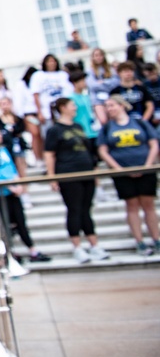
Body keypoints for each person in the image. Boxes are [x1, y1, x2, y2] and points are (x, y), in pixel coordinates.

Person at [43, 100, 110, 264]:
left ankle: (94, 245)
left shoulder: (78, 127)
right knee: (74, 209)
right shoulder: (54, 130)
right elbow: (49, 153)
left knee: (86, 209)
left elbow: (88, 149)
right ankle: (77, 247)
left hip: (86, 171)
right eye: (72, 105)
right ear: (63, 108)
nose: (75, 108)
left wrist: (94, 170)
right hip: (68, 173)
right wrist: (52, 176)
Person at [96, 96, 160, 256]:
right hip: (122, 172)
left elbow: (153, 143)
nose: (109, 109)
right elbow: (102, 150)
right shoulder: (107, 127)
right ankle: (139, 241)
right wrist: (117, 168)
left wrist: (147, 165)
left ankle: (156, 238)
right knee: (131, 205)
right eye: (106, 106)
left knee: (148, 204)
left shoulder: (139, 123)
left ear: (121, 106)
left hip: (145, 168)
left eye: (112, 105)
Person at [0, 127, 50, 263]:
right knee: (4, 223)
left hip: (13, 192)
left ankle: (32, 249)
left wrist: (18, 183)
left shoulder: (2, 150)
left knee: (20, 220)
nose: (0, 135)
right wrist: (8, 185)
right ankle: (10, 252)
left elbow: (11, 167)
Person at [30, 54, 73, 133]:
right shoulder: (38, 76)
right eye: (49, 61)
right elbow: (36, 95)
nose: (52, 63)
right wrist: (39, 112)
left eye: (53, 61)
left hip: (63, 112)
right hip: (47, 112)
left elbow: (69, 93)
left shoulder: (63, 75)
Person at [87, 47, 118, 127]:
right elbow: (92, 85)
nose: (99, 57)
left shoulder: (110, 69)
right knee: (103, 120)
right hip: (97, 100)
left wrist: (103, 82)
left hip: (110, 97)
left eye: (100, 55)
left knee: (113, 120)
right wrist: (107, 85)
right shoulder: (90, 71)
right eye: (96, 55)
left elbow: (116, 82)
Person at [143, 63, 160, 128]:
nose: (151, 74)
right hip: (152, 114)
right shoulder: (144, 85)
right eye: (149, 73)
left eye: (152, 71)